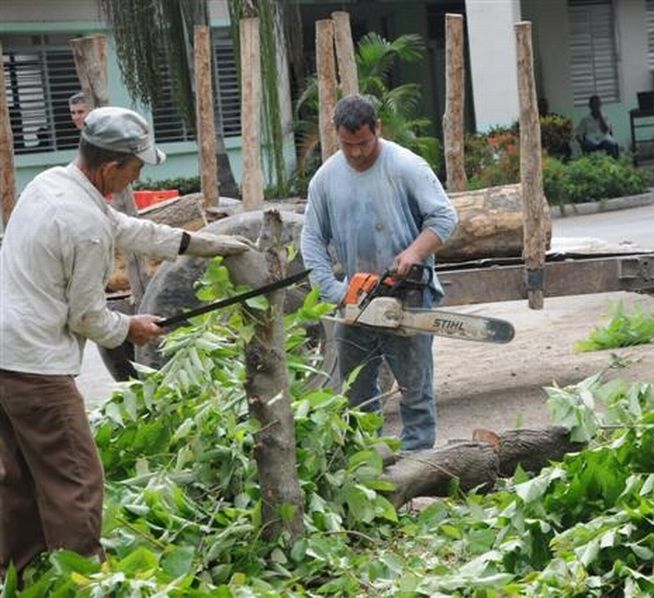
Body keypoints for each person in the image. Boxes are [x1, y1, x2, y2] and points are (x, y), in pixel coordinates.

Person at [0, 106, 254, 575]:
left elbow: (126, 228)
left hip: (4, 353)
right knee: (75, 476)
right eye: (135, 169)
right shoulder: (83, 225)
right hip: (35, 365)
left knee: (16, 477)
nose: (136, 178)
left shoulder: (52, 184)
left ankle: (22, 574)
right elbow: (88, 316)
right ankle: (84, 580)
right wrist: (130, 327)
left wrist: (201, 243)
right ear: (110, 165)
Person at [300, 95, 458, 451]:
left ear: (378, 129)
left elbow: (445, 218)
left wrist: (413, 253)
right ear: (337, 135)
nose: (356, 153)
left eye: (363, 144)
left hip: (409, 295)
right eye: (347, 145)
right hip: (356, 299)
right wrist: (334, 290)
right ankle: (366, 462)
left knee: (415, 391)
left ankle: (419, 462)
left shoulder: (405, 166)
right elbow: (311, 238)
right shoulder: (326, 179)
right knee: (356, 392)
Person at [575, 94, 620, 159]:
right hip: (591, 140)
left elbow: (606, 130)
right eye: (594, 104)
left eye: (598, 104)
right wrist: (582, 143)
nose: (596, 107)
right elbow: (578, 134)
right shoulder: (585, 119)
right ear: (590, 106)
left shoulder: (605, 117)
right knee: (587, 146)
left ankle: (613, 166)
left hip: (604, 139)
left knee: (611, 146)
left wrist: (600, 117)